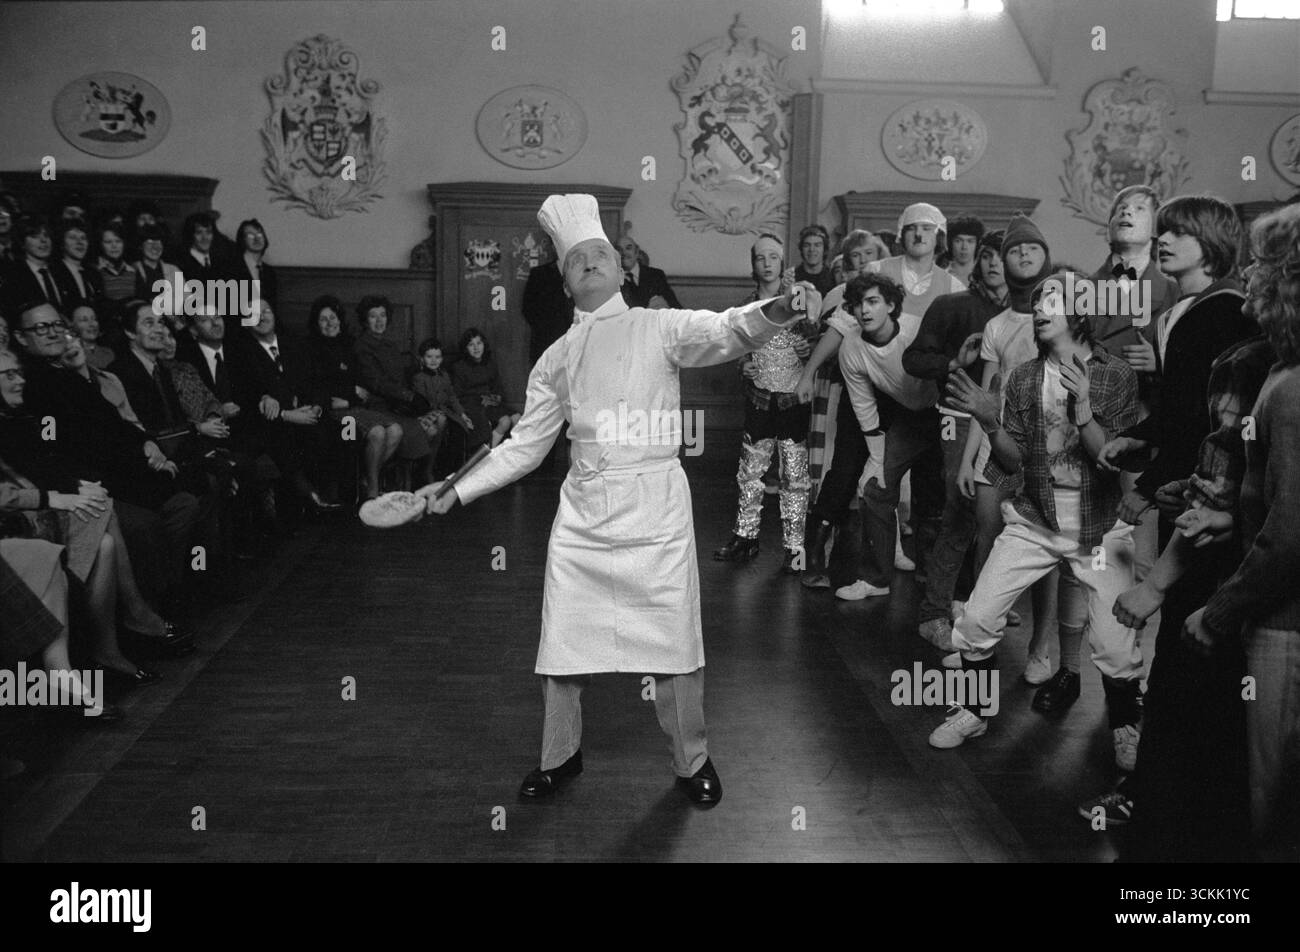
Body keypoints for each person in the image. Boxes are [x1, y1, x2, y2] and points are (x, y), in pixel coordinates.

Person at [418, 193, 820, 805]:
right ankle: (560, 757)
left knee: (676, 647)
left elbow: (727, 329)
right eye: (575, 259)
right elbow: (526, 445)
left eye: (598, 253)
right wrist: (455, 490)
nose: (588, 263)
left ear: (620, 268)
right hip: (582, 515)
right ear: (561, 279)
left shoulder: (660, 327)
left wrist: (784, 308)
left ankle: (693, 763)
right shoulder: (556, 356)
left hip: (656, 509)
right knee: (562, 644)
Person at [934, 273, 1145, 775]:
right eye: (1037, 301)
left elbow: (1109, 461)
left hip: (1100, 526)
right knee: (977, 619)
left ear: (1079, 311)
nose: (1041, 308)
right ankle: (973, 709)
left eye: (1053, 299)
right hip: (1035, 519)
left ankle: (1124, 726)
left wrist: (1085, 408)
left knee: (1116, 646)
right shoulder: (1024, 377)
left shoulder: (1114, 375)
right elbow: (1010, 462)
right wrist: (988, 419)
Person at [1181, 204, 1300, 858]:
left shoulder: (1288, 387)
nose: (1249, 276)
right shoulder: (1279, 373)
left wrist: (1220, 612)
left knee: (1273, 818)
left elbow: (1290, 537)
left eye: (1264, 264)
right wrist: (1232, 513)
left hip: (1285, 627)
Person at [903, 229, 1008, 644]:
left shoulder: (1031, 311)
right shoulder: (951, 305)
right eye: (987, 255)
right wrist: (952, 363)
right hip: (957, 418)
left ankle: (982, 604)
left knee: (1002, 518)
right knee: (962, 510)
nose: (995, 262)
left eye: (1003, 254)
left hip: (1011, 424)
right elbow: (913, 359)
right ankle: (935, 612)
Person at [831, 273, 940, 601]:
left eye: (873, 301)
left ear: (891, 305)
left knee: (939, 498)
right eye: (858, 304)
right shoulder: (850, 346)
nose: (864, 310)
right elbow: (864, 407)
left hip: (945, 413)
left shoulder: (916, 328)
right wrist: (878, 458)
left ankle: (934, 579)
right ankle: (876, 579)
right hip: (906, 417)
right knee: (874, 487)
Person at [714, 235, 817, 572]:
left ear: (783, 261)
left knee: (795, 476)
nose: (768, 263)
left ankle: (795, 548)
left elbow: (817, 337)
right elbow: (735, 350)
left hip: (793, 399)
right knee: (749, 473)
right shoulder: (745, 307)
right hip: (759, 397)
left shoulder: (796, 296)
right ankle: (745, 537)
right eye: (762, 258)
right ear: (753, 264)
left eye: (774, 256)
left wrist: (809, 349)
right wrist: (741, 366)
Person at [304, 294, 404, 502]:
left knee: (395, 430)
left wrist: (349, 396)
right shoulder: (312, 349)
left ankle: (367, 477)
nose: (330, 323)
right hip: (333, 412)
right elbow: (322, 386)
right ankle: (372, 491)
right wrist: (350, 392)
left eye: (333, 318)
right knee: (376, 433)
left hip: (353, 406)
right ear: (316, 324)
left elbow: (362, 384)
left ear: (340, 320)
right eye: (323, 319)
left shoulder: (350, 344)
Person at [352, 294, 432, 469]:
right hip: (378, 406)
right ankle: (373, 478)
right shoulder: (362, 347)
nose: (379, 320)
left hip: (398, 404)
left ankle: (406, 478)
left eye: (383, 315)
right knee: (415, 431)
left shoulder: (390, 344)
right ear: (365, 320)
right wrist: (409, 397)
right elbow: (377, 383)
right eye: (373, 316)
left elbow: (400, 376)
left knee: (433, 426)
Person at [451, 327, 520, 450]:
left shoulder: (490, 363)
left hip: (489, 401)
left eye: (479, 343)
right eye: (471, 345)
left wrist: (497, 397)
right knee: (505, 422)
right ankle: (486, 455)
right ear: (466, 349)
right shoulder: (459, 367)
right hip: (472, 404)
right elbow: (458, 394)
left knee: (517, 418)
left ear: (484, 344)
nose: (476, 348)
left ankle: (513, 456)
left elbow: (497, 386)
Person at [411, 337, 474, 469]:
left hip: (446, 411)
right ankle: (429, 466)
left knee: (461, 428)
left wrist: (462, 414)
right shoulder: (419, 377)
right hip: (427, 412)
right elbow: (423, 402)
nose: (434, 361)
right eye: (429, 357)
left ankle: (453, 468)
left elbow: (452, 397)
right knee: (440, 422)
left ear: (442, 358)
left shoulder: (444, 375)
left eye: (437, 357)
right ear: (422, 358)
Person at [615, 235, 680, 309]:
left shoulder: (657, 275)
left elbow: (676, 307)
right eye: (619, 249)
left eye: (628, 248)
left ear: (637, 252)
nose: (624, 253)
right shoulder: (612, 279)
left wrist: (666, 307)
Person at [69, 302, 115, 370]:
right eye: (84, 320)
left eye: (94, 319)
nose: (92, 324)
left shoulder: (109, 353)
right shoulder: (72, 356)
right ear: (72, 326)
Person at [794, 224, 837, 298]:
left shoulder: (833, 277)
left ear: (824, 249)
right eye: (807, 245)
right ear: (801, 249)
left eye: (817, 245)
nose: (812, 249)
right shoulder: (793, 277)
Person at [944, 215, 985, 285]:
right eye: (958, 241)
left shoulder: (985, 278)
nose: (964, 247)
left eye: (970, 241)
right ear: (950, 243)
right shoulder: (940, 277)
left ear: (977, 244)